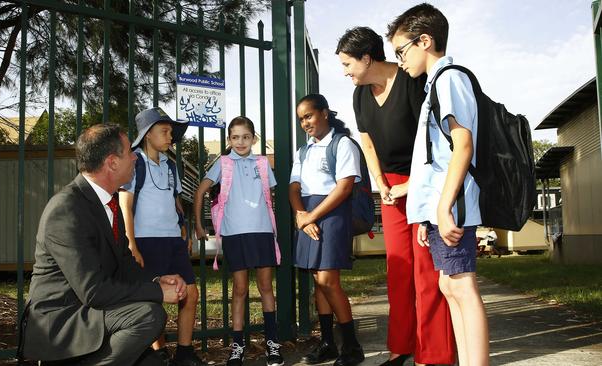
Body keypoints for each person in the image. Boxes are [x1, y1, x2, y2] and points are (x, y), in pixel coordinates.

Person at [336, 27, 454, 366]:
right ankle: (402, 346)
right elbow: (368, 144)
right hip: (390, 187)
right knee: (398, 270)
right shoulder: (360, 95)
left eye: (347, 64)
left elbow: (435, 139)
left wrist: (414, 182)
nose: (345, 73)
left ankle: (434, 353)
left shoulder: (411, 80)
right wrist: (381, 183)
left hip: (424, 180)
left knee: (426, 271)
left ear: (367, 58)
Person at [21, 124, 187, 365]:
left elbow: (124, 263)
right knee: (149, 315)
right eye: (130, 152)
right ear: (112, 162)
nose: (134, 158)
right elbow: (94, 291)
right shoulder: (67, 209)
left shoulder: (108, 203)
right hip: (62, 326)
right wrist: (159, 293)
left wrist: (155, 281)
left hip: (93, 315)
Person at [386, 3, 490, 365]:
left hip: (453, 204)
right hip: (439, 206)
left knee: (461, 285)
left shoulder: (449, 78)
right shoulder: (434, 84)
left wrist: (443, 208)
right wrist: (427, 212)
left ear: (425, 41)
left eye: (401, 51)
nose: (399, 61)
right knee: (448, 284)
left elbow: (462, 144)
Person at [193, 116, 283, 366]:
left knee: (266, 288)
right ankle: (237, 346)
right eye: (235, 137)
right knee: (240, 290)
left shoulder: (263, 164)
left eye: (245, 137)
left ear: (253, 138)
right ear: (229, 140)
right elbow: (200, 191)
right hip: (234, 234)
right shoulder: (223, 163)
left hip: (262, 232)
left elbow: (268, 197)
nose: (240, 142)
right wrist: (200, 225)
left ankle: (272, 344)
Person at [119, 107, 205, 366]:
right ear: (147, 135)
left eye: (171, 132)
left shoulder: (170, 165)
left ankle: (185, 352)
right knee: (154, 299)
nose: (170, 137)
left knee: (190, 293)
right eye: (164, 131)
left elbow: (176, 201)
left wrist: (184, 231)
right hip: (146, 241)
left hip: (172, 240)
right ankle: (159, 353)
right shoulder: (134, 162)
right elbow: (125, 204)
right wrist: (131, 242)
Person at [290, 94, 364, 366]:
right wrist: (301, 215)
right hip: (308, 214)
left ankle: (352, 348)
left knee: (328, 282)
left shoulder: (343, 144)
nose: (304, 123)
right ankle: (328, 344)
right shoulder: (303, 150)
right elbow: (294, 187)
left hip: (332, 214)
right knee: (317, 283)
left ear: (324, 113)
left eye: (308, 116)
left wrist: (311, 216)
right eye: (301, 119)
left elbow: (344, 188)